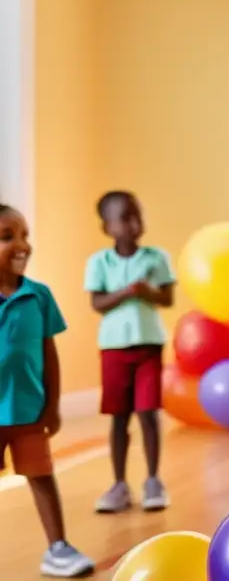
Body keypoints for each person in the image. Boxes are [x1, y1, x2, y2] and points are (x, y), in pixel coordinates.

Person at [0, 204, 95, 577]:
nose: (22, 244)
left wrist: (53, 406)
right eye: (8, 236)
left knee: (41, 477)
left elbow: (49, 356)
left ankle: (58, 547)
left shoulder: (39, 296)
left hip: (28, 411)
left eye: (25, 234)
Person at [86, 191, 175, 513]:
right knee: (118, 417)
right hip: (113, 348)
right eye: (124, 217)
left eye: (137, 215)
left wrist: (148, 291)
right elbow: (97, 302)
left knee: (148, 413)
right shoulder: (99, 262)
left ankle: (153, 480)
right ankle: (119, 484)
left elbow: (166, 299)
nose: (134, 223)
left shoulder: (156, 257)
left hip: (149, 344)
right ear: (107, 226)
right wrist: (125, 292)